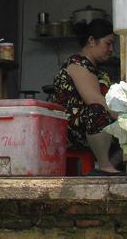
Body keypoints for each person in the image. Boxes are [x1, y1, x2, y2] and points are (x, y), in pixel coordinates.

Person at [52, 18, 120, 174]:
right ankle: (104, 165)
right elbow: (94, 99)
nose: (111, 50)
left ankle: (108, 165)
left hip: (90, 128)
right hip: (71, 130)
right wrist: (122, 117)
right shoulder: (77, 64)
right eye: (108, 44)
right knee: (96, 111)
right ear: (91, 41)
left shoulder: (99, 70)